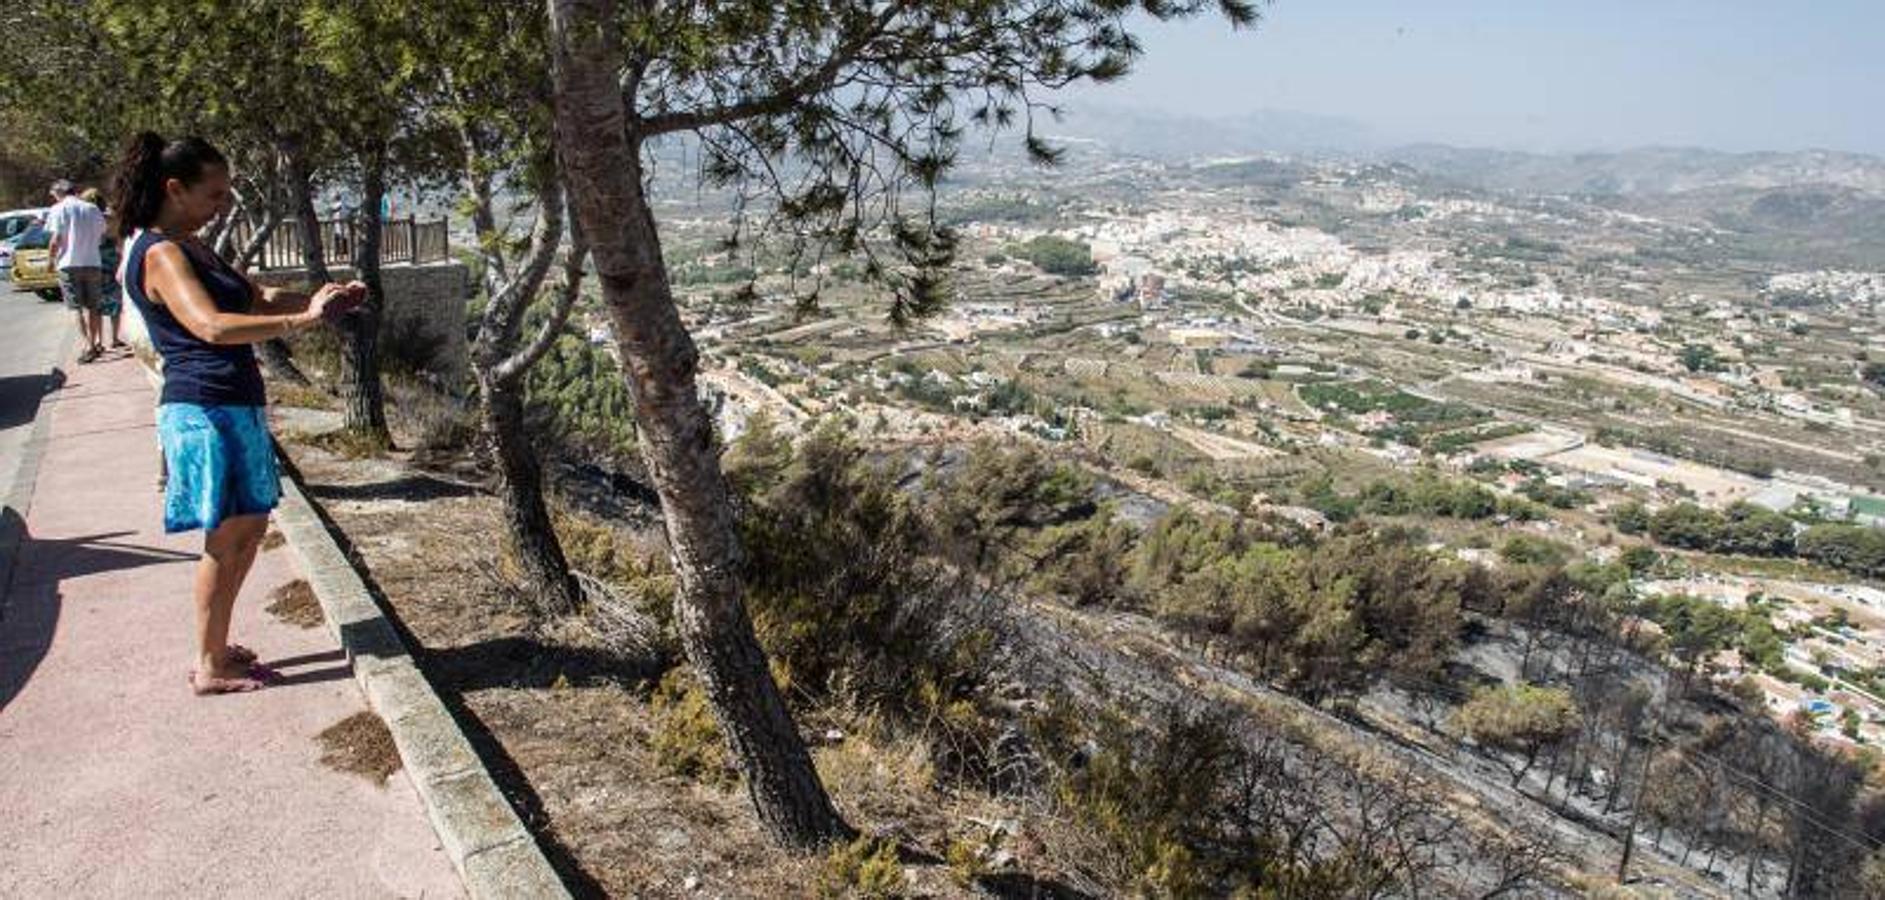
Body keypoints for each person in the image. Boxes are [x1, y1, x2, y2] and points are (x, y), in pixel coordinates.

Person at [111, 132, 366, 695]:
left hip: (232, 403)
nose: (221, 206)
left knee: (246, 534)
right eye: (215, 194)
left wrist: (322, 300)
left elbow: (253, 299)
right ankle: (208, 664)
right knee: (224, 542)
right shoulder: (161, 252)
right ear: (174, 189)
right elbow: (211, 326)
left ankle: (218, 647)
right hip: (205, 408)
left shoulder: (192, 245)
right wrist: (304, 323)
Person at [44, 178, 110, 362]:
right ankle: (96, 342)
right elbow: (102, 233)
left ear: (59, 193)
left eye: (54, 195)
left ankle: (87, 345)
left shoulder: (59, 209)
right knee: (94, 307)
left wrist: (50, 261)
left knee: (76, 307)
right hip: (93, 262)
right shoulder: (92, 208)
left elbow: (56, 239)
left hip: (68, 263)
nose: (54, 199)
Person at [80, 187, 128, 351]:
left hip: (93, 261)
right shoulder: (112, 218)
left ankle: (99, 340)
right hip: (112, 261)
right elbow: (120, 240)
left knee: (95, 304)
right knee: (115, 301)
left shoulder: (85, 219)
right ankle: (115, 338)